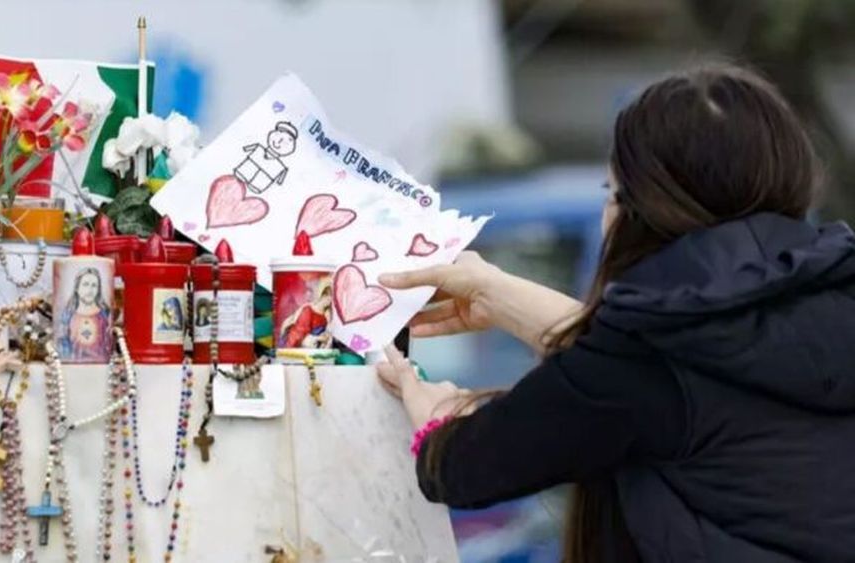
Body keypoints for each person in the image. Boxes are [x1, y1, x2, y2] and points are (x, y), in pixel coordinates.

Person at [376, 64, 855, 562]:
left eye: (612, 194)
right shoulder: (831, 303)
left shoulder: (647, 356)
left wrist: (434, 421)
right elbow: (647, 377)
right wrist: (498, 293)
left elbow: (460, 468)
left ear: (644, 208)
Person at [57, 267, 112, 361]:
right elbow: (63, 343)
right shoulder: (68, 316)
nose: (90, 290)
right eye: (85, 284)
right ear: (77, 288)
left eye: (94, 285)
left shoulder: (104, 315)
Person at [278, 279, 332, 349]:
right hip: (297, 342)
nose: (329, 301)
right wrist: (317, 338)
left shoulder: (327, 315)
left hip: (314, 346)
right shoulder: (308, 309)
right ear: (322, 295)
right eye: (327, 296)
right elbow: (298, 333)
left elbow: (327, 335)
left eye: (330, 299)